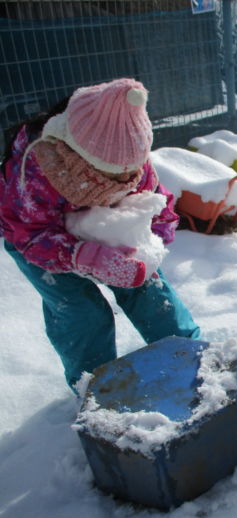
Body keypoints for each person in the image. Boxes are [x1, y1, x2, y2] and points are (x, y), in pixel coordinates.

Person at [0, 78, 201, 391]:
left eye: (130, 172)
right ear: (73, 150)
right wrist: (83, 256)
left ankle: (189, 356)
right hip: (39, 241)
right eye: (110, 174)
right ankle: (95, 387)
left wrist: (152, 242)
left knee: (151, 291)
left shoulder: (132, 164)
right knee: (82, 313)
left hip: (108, 230)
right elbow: (31, 234)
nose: (124, 180)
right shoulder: (37, 167)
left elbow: (159, 207)